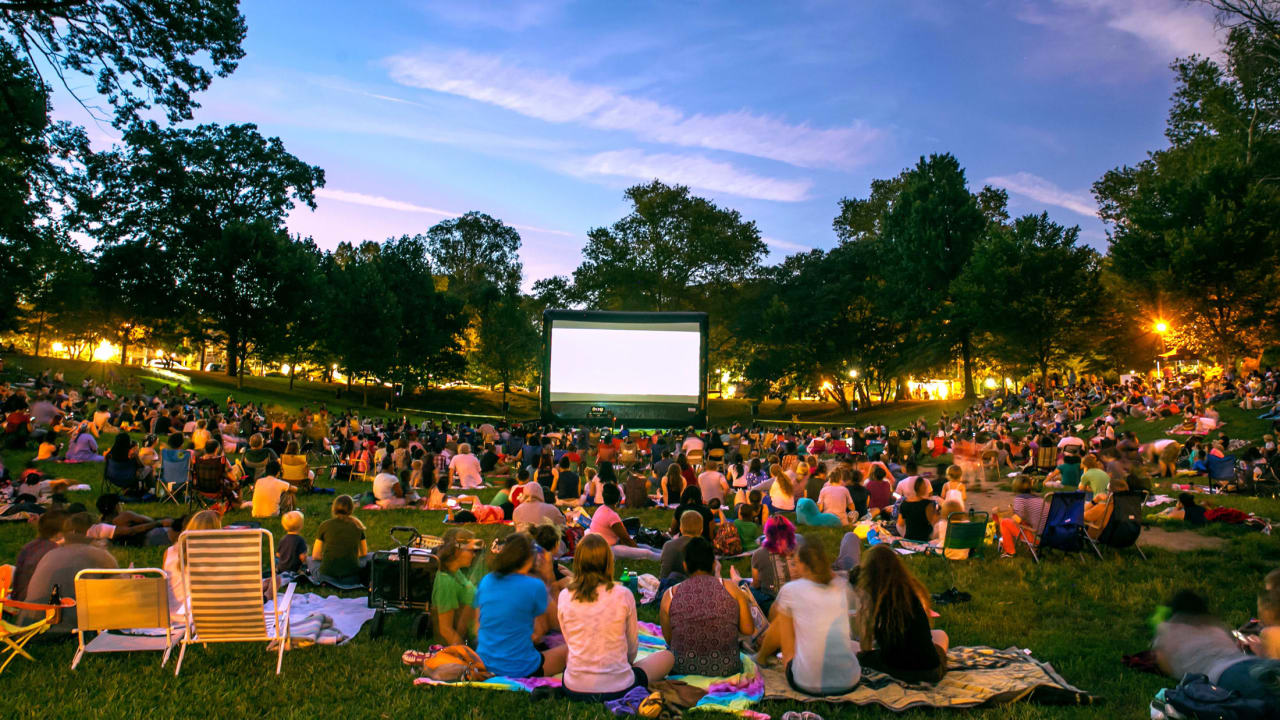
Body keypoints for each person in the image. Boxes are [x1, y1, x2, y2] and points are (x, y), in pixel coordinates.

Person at [559, 534, 674, 701]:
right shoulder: (623, 594)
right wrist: (622, 664)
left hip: (573, 687)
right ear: (608, 562)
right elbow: (632, 647)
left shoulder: (564, 596)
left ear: (578, 562)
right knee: (668, 657)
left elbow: (569, 640)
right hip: (619, 686)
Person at [756, 539, 861, 695]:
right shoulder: (841, 586)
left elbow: (781, 634)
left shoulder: (792, 590)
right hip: (850, 680)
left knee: (781, 622)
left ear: (804, 566)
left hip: (807, 683)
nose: (794, 567)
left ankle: (760, 658)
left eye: (795, 563)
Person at [1153, 589, 1280, 708]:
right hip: (1252, 662)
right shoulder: (1214, 627)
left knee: (1269, 705)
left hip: (1226, 674)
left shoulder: (1167, 631)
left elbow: (1165, 665)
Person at [475, 532, 567, 677]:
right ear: (529, 557)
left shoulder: (487, 580)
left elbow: (478, 625)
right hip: (520, 667)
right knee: (570, 650)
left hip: (485, 661)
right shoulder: (534, 585)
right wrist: (549, 577)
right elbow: (558, 624)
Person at [659, 536, 754, 676]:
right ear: (714, 564)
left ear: (685, 565)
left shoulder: (670, 595)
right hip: (727, 668)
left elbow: (670, 640)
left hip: (683, 669)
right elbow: (748, 629)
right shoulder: (731, 588)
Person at [857, 544, 949, 683]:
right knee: (940, 634)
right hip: (931, 672)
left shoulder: (874, 598)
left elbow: (866, 645)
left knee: (855, 650)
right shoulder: (911, 593)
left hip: (897, 670)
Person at [21, 512, 118, 631]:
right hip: (62, 629)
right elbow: (121, 589)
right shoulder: (98, 555)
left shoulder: (50, 554)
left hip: (27, 626)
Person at [432, 528, 480, 646]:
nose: (474, 555)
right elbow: (446, 630)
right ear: (457, 551)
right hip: (481, 637)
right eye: (470, 551)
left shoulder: (455, 572)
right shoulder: (446, 582)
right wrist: (466, 655)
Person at [589, 484, 661, 561]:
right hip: (607, 550)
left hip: (600, 546)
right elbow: (626, 539)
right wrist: (637, 550)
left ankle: (666, 553)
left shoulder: (600, 508)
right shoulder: (612, 516)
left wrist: (635, 546)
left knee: (646, 547)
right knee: (646, 552)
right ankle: (666, 558)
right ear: (618, 499)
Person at [11, 509, 66, 603]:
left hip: (18, 599)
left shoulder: (29, 547)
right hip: (38, 604)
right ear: (59, 534)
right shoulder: (54, 552)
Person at [312, 495, 369, 585]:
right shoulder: (358, 526)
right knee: (369, 557)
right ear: (351, 509)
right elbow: (364, 552)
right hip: (352, 577)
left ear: (334, 508)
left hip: (326, 576)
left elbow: (315, 555)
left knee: (311, 561)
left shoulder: (325, 525)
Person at [749, 516, 799, 609]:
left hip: (773, 605)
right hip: (798, 601)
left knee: (748, 588)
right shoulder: (798, 549)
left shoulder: (758, 554)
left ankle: (738, 580)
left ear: (767, 533)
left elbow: (756, 584)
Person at [996, 475, 1048, 556]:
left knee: (1004, 522)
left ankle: (1009, 552)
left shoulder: (1020, 498)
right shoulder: (1039, 498)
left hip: (1037, 539)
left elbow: (1017, 520)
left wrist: (1011, 512)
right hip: (1049, 537)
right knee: (1023, 522)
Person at [659, 510, 704, 580]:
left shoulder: (668, 545)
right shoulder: (705, 548)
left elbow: (663, 576)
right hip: (698, 588)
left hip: (671, 588)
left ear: (681, 528)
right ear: (701, 530)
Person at [895, 477, 938, 542]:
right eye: (925, 486)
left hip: (909, 538)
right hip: (924, 539)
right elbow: (934, 524)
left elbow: (899, 524)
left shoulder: (904, 503)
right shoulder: (928, 504)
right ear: (923, 488)